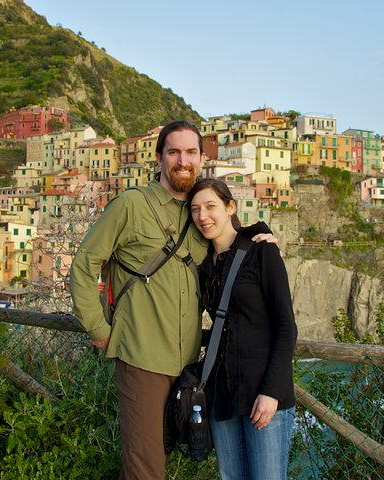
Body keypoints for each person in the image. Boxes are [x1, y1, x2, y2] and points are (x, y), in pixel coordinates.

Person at [69, 120, 273, 480]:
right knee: (145, 467)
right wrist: (98, 328)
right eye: (174, 152)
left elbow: (234, 238)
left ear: (201, 159)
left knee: (160, 456)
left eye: (191, 152)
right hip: (141, 358)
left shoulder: (202, 213)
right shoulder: (132, 204)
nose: (183, 160)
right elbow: (85, 264)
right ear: (160, 158)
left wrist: (263, 235)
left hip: (188, 366)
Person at [188, 178, 297, 480]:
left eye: (210, 206)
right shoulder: (203, 267)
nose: (203, 216)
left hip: (262, 395)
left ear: (230, 207)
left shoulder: (262, 251)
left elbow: (286, 327)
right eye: (196, 209)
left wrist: (272, 392)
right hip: (221, 394)